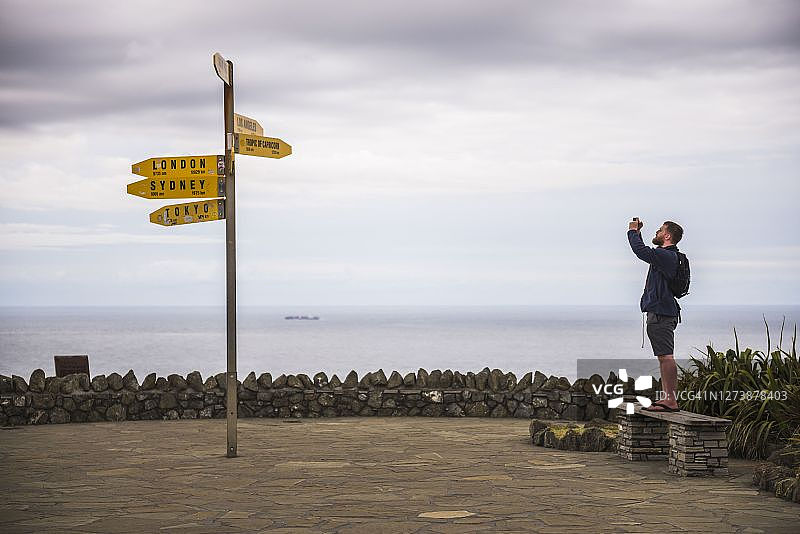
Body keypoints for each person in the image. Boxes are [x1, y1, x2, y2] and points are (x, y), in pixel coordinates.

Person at [627, 218, 684, 412]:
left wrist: (633, 232)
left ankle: (671, 400)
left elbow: (641, 251)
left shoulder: (666, 255)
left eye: (660, 230)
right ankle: (669, 399)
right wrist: (639, 234)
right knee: (664, 357)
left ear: (667, 236)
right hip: (663, 312)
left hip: (661, 313)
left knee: (666, 357)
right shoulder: (666, 256)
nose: (657, 232)